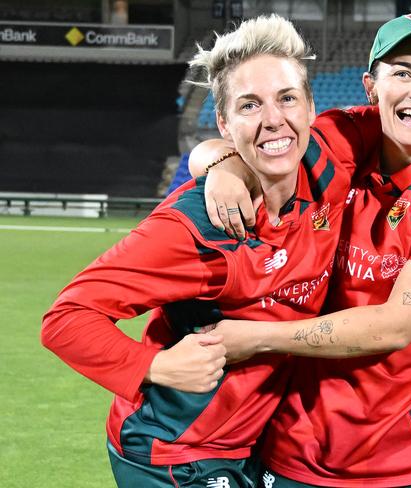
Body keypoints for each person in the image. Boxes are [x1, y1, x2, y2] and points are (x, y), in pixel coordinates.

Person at [41, 14, 382, 487]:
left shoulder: (331, 155)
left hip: (258, 446)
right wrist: (154, 365)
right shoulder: (197, 228)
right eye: (249, 105)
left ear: (310, 107)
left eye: (287, 99)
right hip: (173, 452)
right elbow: (66, 319)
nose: (273, 120)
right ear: (223, 122)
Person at [191, 12, 411, 487]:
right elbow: (251, 141)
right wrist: (223, 165)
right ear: (370, 86)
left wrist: (253, 338)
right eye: (402, 72)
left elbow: (394, 327)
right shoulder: (341, 139)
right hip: (295, 456)